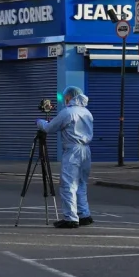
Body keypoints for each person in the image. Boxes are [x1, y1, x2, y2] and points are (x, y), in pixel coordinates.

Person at [36, 86, 94, 229]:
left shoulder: (67, 112)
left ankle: (71, 218)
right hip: (86, 150)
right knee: (81, 184)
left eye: (64, 98)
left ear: (69, 97)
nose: (64, 100)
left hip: (72, 150)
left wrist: (40, 122)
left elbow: (50, 128)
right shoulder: (87, 112)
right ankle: (84, 214)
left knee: (68, 184)